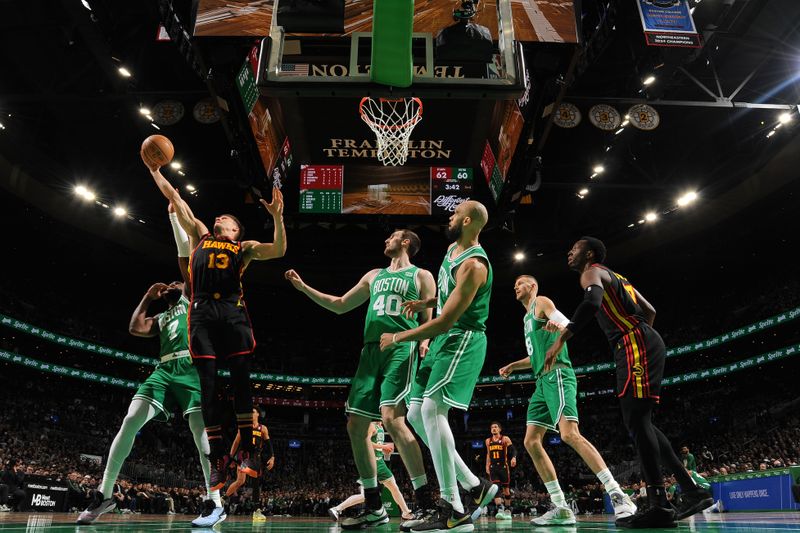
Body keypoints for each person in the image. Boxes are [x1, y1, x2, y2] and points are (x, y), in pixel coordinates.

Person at [142, 150, 286, 500]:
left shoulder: (245, 247)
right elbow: (175, 197)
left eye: (229, 218)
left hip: (232, 311)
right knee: (207, 383)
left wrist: (278, 217)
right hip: (203, 312)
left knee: (240, 379)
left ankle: (248, 449)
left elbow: (279, 250)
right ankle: (219, 456)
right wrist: (154, 170)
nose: (221, 216)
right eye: (221, 216)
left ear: (236, 230)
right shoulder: (201, 234)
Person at [545, 236, 713, 528]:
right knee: (640, 421)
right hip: (639, 341)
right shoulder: (619, 278)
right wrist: (641, 336)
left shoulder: (592, 271)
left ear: (590, 254)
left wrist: (562, 338)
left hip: (633, 343)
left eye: (575, 249)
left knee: (636, 420)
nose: (569, 252)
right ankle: (690, 490)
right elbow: (650, 312)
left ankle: (660, 503)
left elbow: (591, 302)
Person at [78, 203, 224, 526]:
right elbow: (135, 327)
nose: (172, 283)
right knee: (130, 420)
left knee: (201, 438)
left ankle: (214, 502)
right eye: (169, 284)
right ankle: (104, 495)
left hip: (191, 369)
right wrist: (146, 296)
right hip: (163, 370)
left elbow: (183, 251)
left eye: (177, 282)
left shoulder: (191, 298)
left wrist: (173, 216)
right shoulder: (162, 317)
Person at [285, 230, 437, 530]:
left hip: (399, 347)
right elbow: (340, 303)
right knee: (356, 426)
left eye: (391, 236)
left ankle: (424, 502)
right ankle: (373, 505)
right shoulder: (374, 275)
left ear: (406, 242)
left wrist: (423, 345)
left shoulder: (421, 275)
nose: (385, 240)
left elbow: (428, 321)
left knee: (392, 419)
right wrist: (304, 289)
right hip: (370, 352)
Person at [380, 200, 498, 533]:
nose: (451, 214)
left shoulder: (474, 265)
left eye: (456, 211)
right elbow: (448, 297)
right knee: (416, 414)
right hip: (446, 340)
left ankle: (453, 507)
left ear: (469, 220)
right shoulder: (451, 249)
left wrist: (401, 336)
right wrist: (425, 302)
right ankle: (476, 486)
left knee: (433, 410)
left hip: (463, 339)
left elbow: (446, 321)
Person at [499, 274, 636, 526]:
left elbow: (563, 322)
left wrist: (560, 326)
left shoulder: (540, 301)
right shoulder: (526, 318)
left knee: (569, 434)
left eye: (520, 283)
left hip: (558, 374)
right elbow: (536, 357)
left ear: (533, 285)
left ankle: (618, 495)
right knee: (530, 441)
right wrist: (513, 366)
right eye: (514, 283)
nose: (515, 286)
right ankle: (560, 506)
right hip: (541, 381)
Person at [328, 421, 414, 523]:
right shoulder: (371, 425)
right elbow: (366, 442)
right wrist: (384, 447)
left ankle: (405, 512)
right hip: (371, 463)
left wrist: (383, 450)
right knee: (365, 496)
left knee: (394, 488)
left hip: (379, 462)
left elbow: (376, 445)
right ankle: (337, 509)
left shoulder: (380, 426)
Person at [225, 408, 275, 522]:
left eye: (253, 411)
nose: (251, 414)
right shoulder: (244, 427)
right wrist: (231, 457)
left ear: (258, 414)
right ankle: (223, 500)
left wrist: (272, 457)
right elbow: (236, 442)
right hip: (244, 456)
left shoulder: (263, 428)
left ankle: (256, 510)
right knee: (242, 480)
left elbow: (269, 445)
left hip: (256, 457)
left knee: (251, 483)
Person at [484, 422, 516, 520]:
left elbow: (513, 449)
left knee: (506, 490)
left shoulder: (505, 439)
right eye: (492, 427)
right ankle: (500, 509)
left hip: (503, 467)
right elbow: (488, 454)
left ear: (499, 429)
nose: (493, 428)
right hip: (493, 468)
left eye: (495, 427)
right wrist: (487, 465)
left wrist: (513, 457)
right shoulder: (488, 441)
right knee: (496, 488)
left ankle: (507, 509)